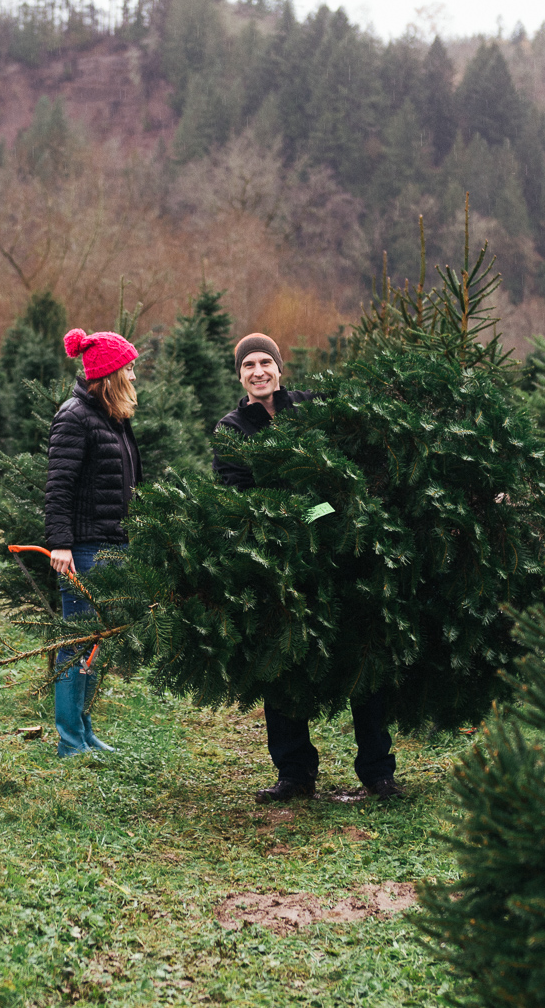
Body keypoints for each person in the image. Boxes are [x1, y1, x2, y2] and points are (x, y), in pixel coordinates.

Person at [214, 333, 403, 803]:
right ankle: (294, 774)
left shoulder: (311, 408)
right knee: (282, 661)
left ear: (280, 368)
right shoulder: (232, 427)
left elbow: (345, 471)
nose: (258, 371)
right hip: (275, 558)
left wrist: (321, 512)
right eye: (248, 365)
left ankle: (378, 772)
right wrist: (297, 512)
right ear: (239, 375)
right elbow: (236, 491)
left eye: (266, 363)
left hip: (340, 552)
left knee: (362, 658)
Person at [43, 327, 142, 757]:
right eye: (130, 368)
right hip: (83, 548)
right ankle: (69, 742)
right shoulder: (75, 416)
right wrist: (60, 544)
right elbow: (58, 486)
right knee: (78, 644)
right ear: (110, 373)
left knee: (98, 643)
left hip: (113, 543)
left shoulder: (113, 418)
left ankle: (84, 729)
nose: (135, 376)